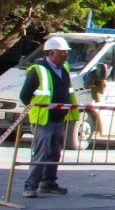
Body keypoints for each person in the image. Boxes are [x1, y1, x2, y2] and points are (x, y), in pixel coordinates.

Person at [20, 35, 78, 198]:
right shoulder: (39, 70)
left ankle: (48, 183)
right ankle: (30, 186)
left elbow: (68, 93)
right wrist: (37, 108)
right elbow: (25, 95)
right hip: (43, 119)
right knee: (41, 153)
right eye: (62, 52)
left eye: (66, 52)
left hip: (59, 118)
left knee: (54, 152)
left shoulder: (64, 71)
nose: (65, 55)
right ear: (51, 52)